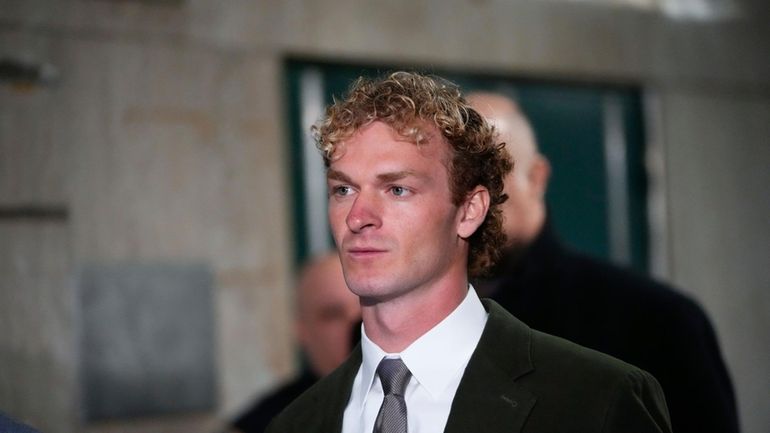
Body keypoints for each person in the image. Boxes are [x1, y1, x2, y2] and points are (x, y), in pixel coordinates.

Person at [267, 71, 671, 433]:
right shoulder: (297, 423)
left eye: (397, 189)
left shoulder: (596, 402)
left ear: (469, 210)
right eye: (343, 189)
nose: (359, 217)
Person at [467, 91, 739, 433]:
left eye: (490, 180)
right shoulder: (409, 320)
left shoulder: (657, 320)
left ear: (536, 178)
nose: (471, 204)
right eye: (457, 184)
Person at [232, 251, 360, 433]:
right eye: (333, 315)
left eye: (368, 306)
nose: (357, 324)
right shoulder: (266, 424)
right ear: (302, 330)